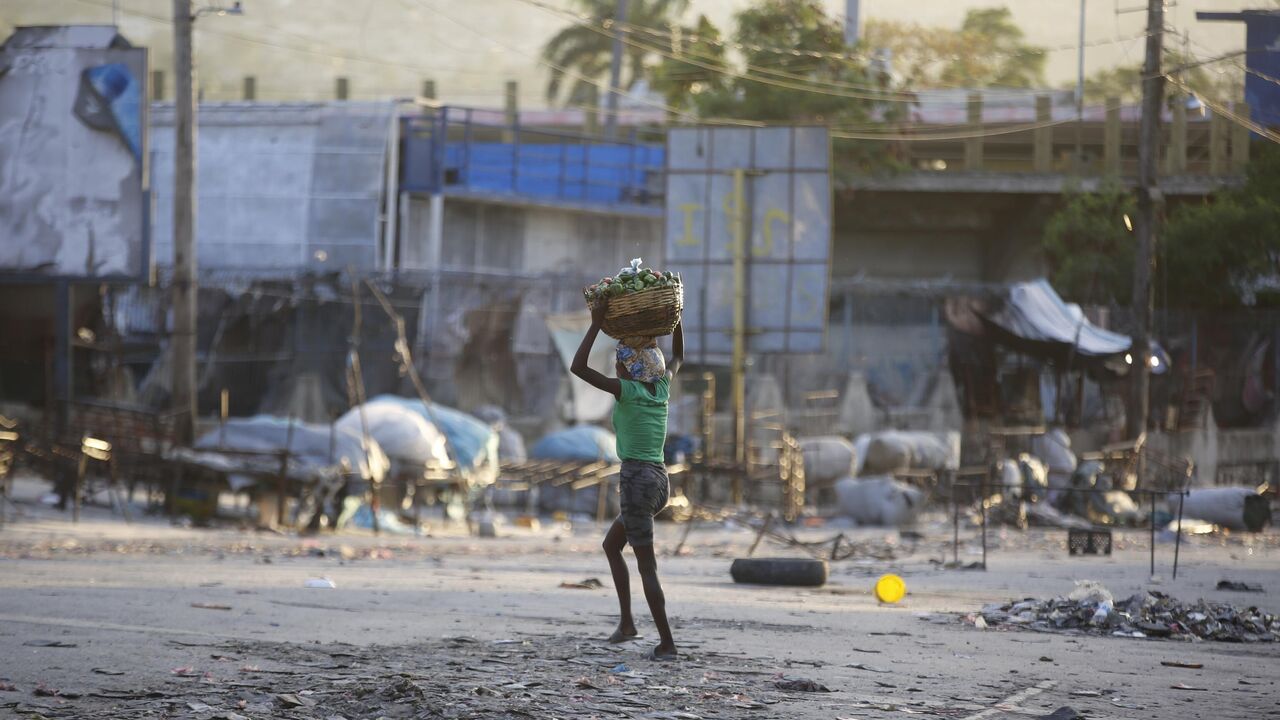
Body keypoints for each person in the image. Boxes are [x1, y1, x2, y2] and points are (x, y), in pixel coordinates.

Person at [570, 297, 682, 661]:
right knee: (611, 546)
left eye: (619, 363)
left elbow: (578, 367)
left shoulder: (628, 391)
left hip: (637, 481)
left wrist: (596, 324)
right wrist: (674, 318)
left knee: (646, 566)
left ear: (631, 371)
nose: (615, 367)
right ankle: (627, 624)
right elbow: (678, 356)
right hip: (659, 481)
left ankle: (667, 643)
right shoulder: (660, 388)